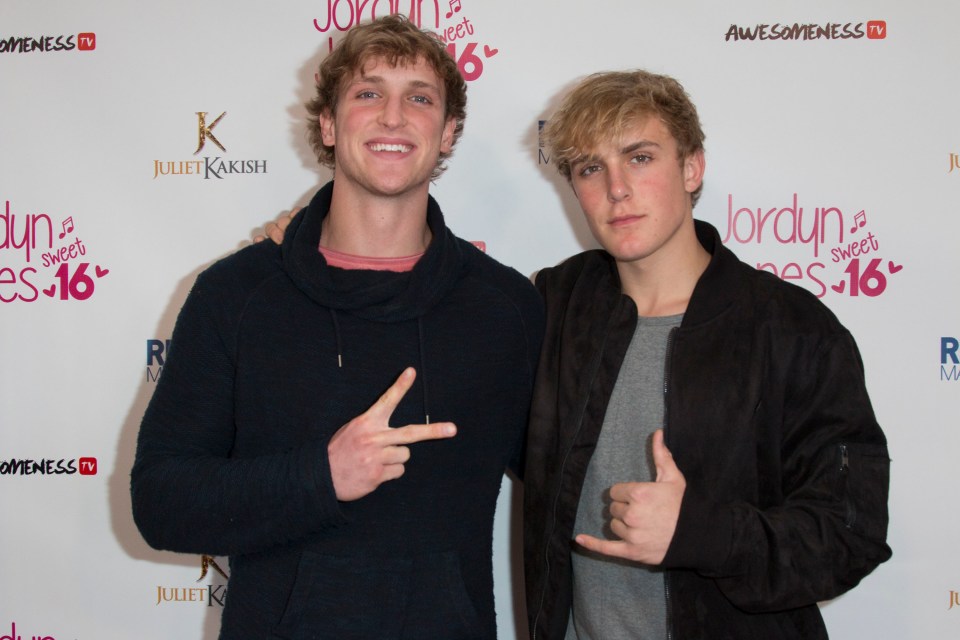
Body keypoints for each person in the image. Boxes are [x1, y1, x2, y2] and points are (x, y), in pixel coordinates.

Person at [130, 15, 543, 640]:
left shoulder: (505, 306)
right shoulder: (237, 294)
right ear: (328, 123)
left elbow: (568, 478)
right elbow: (162, 502)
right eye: (368, 93)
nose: (394, 116)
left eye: (420, 98)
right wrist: (319, 477)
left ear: (449, 131)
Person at [523, 69, 891, 639]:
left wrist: (699, 533)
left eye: (639, 157)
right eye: (591, 168)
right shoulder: (554, 309)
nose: (616, 188)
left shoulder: (790, 328)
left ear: (692, 167)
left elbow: (849, 532)